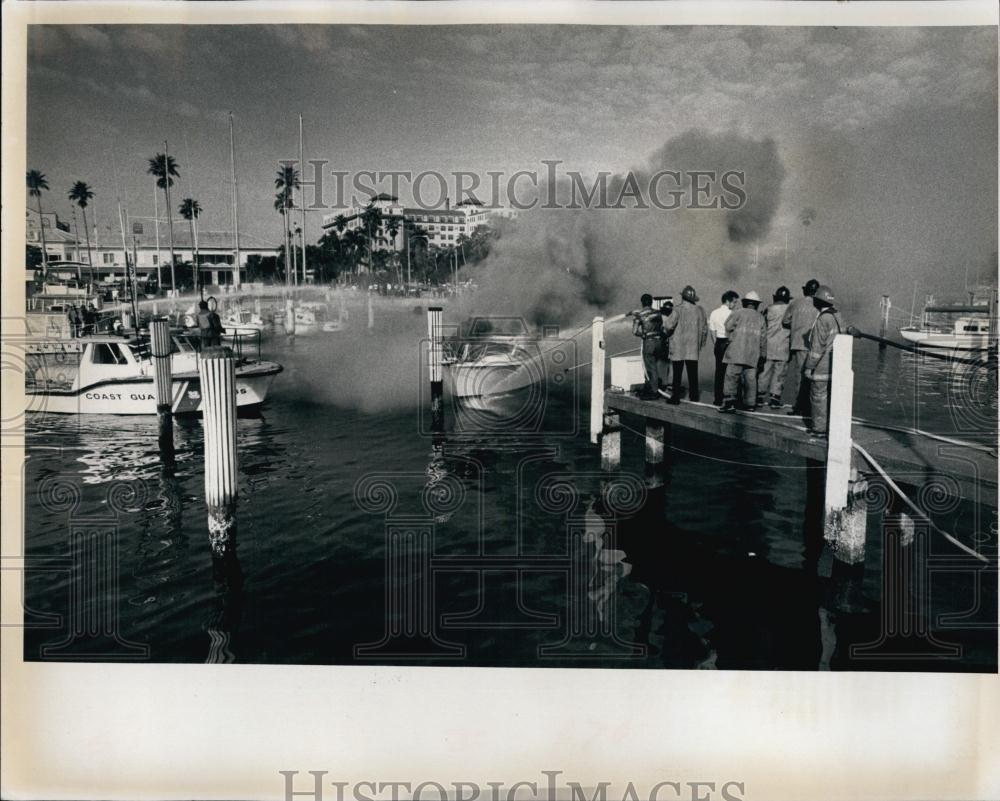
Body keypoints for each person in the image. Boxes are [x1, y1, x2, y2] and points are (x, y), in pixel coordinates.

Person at [803, 285, 844, 438]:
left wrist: (809, 367)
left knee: (818, 396)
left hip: (822, 365)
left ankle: (819, 429)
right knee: (833, 397)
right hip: (836, 363)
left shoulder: (823, 319)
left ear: (818, 301)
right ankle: (832, 427)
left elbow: (817, 348)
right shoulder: (837, 315)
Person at [719, 290, 766, 413]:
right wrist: (762, 355)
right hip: (752, 355)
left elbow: (728, 326)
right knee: (751, 380)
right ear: (756, 304)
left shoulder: (737, 313)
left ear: (745, 302)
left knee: (731, 378)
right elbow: (763, 339)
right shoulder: (760, 317)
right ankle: (750, 404)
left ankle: (729, 403)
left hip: (736, 352)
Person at [782, 278, 820, 417]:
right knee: (814, 377)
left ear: (805, 290)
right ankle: (812, 407)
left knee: (800, 377)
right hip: (816, 346)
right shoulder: (819, 304)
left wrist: (796, 325)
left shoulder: (795, 303)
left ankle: (799, 406)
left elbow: (785, 321)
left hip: (799, 344)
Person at [664, 284, 708, 404]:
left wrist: (667, 335)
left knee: (677, 374)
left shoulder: (677, 310)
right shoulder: (700, 310)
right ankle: (694, 397)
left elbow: (668, 325)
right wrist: (701, 344)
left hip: (678, 346)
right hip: (693, 347)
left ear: (682, 297)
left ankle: (676, 398)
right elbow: (705, 329)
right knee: (693, 373)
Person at [758, 286, 792, 408]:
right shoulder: (790, 309)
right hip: (783, 346)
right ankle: (775, 399)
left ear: (775, 297)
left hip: (768, 346)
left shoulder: (768, 309)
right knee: (780, 374)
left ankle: (759, 397)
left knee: (764, 372)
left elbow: (762, 326)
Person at [631, 294, 668, 400]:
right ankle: (649, 387)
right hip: (659, 342)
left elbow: (634, 331)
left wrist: (642, 334)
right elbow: (662, 327)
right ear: (651, 302)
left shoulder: (639, 315)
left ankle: (654, 391)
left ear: (642, 302)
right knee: (653, 365)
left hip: (649, 342)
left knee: (650, 367)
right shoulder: (658, 313)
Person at [709, 290, 740, 405]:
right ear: (728, 301)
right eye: (734, 302)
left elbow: (712, 331)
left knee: (719, 372)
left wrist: (716, 344)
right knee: (731, 373)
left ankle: (718, 399)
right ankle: (731, 398)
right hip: (729, 343)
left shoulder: (713, 313)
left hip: (718, 343)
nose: (735, 305)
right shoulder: (733, 314)